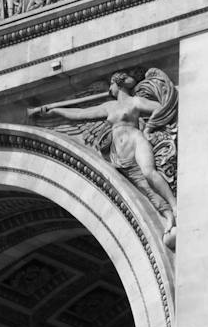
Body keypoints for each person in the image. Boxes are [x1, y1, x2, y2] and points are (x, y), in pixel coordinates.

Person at [32, 73, 177, 223]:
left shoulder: (135, 102)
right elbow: (81, 114)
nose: (109, 89)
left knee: (149, 173)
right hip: (120, 154)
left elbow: (160, 108)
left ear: (118, 84)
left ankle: (174, 205)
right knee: (144, 187)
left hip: (136, 140)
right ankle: (168, 215)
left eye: (111, 85)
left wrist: (148, 128)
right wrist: (57, 111)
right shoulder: (109, 107)